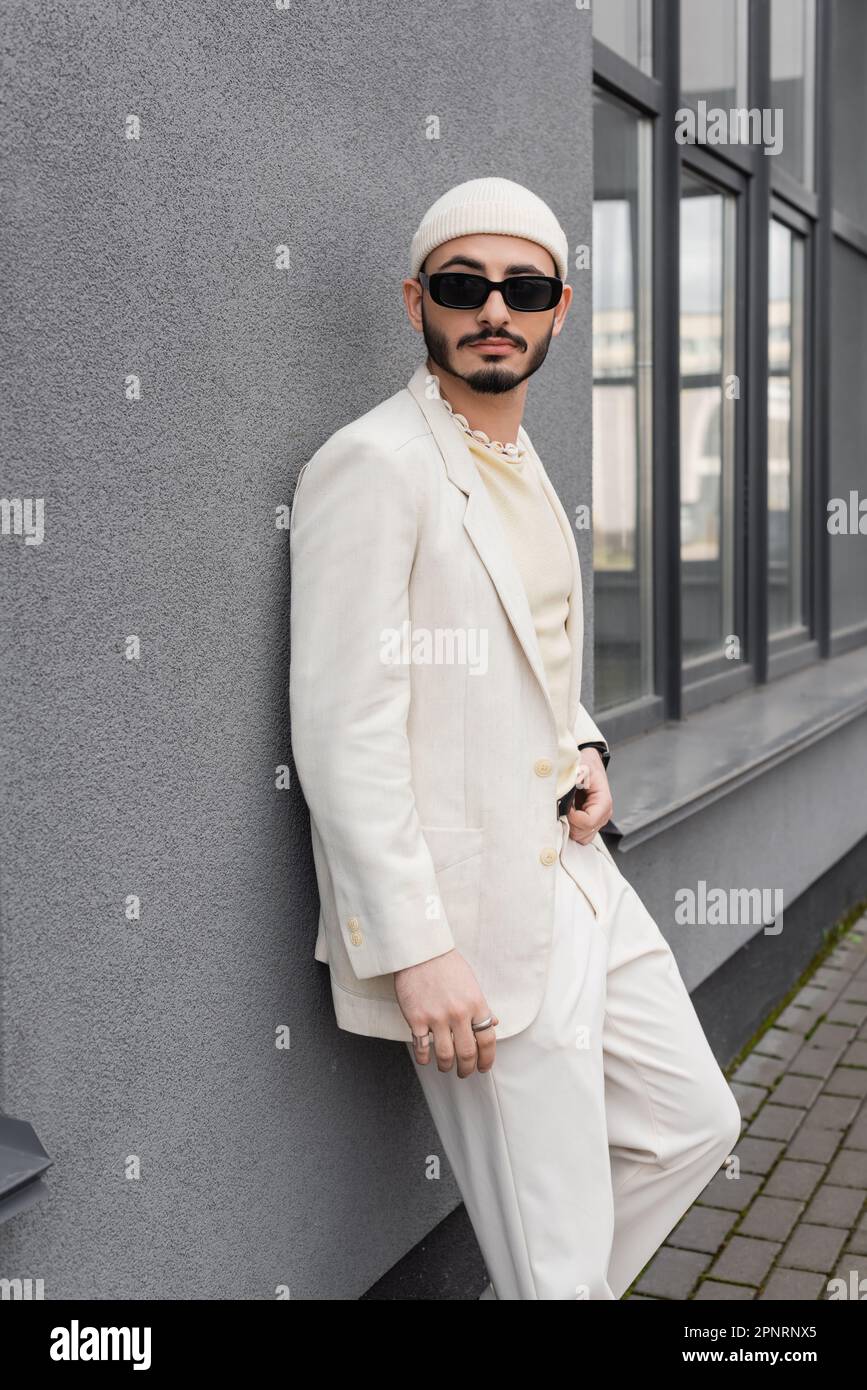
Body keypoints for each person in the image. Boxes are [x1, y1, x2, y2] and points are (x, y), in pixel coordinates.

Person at [289, 176, 742, 1299]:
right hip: (470, 925)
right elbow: (343, 726)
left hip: (578, 878)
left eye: (523, 287)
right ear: (416, 302)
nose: (495, 308)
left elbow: (525, 660)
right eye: (463, 284)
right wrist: (415, 946)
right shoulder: (375, 463)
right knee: (560, 1261)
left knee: (695, 1121)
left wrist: (586, 746)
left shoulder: (522, 459)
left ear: (558, 308)